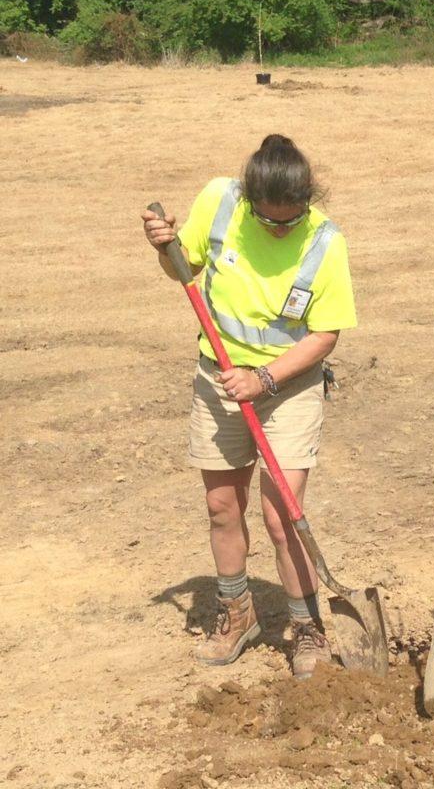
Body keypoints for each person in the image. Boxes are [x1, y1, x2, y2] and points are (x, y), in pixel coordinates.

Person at [140, 134, 357, 678]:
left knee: (282, 513)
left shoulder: (325, 242)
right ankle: (238, 614)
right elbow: (184, 269)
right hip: (218, 378)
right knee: (221, 506)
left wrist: (263, 378)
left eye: (291, 218)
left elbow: (324, 335)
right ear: (249, 198)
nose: (281, 229)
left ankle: (307, 625)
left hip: (289, 384)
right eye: (269, 221)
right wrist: (165, 248)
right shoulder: (219, 199)